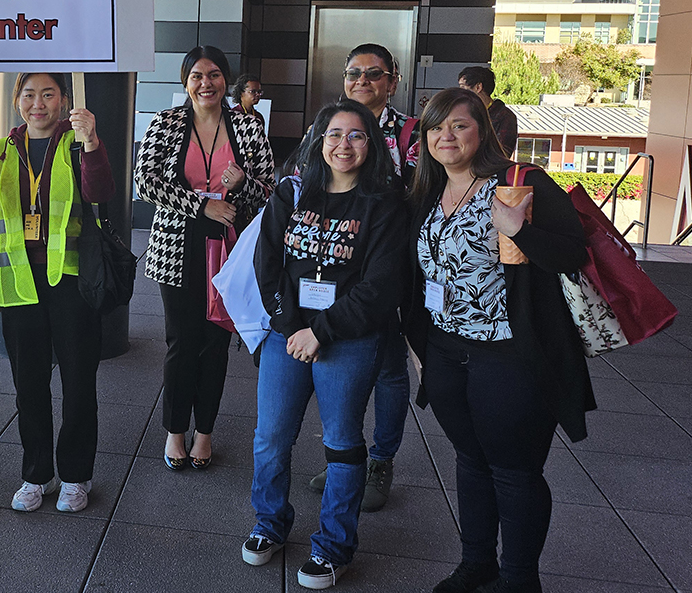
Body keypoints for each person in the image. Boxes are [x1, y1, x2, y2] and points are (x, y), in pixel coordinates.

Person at [406, 88, 594, 593]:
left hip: (510, 354)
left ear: (481, 133)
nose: (446, 136)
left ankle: (519, 578)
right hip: (445, 350)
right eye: (436, 127)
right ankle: (477, 562)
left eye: (459, 125)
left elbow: (573, 253)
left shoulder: (519, 184)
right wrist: (419, 350)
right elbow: (419, 277)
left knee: (514, 471)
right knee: (469, 461)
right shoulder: (427, 192)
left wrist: (520, 230)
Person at [247, 99, 408, 589]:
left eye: (356, 135)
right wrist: (292, 324)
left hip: (349, 338)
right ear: (319, 140)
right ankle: (269, 523)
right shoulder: (293, 190)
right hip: (288, 333)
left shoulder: (384, 202)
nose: (344, 144)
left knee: (340, 443)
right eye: (334, 134)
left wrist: (321, 331)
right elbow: (267, 260)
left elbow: (379, 286)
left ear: (371, 144)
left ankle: (334, 545)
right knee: (271, 437)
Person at [0, 73, 115, 513]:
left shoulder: (77, 144)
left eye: (49, 94)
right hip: (19, 283)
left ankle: (75, 475)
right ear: (16, 100)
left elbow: (101, 191)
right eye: (29, 94)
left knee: (78, 383)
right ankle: (36, 474)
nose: (39, 103)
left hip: (71, 283)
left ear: (64, 100)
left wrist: (91, 141)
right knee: (28, 386)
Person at [135, 45, 275, 470]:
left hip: (230, 249)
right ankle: (176, 430)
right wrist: (201, 205)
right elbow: (145, 181)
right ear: (185, 82)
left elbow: (270, 190)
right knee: (181, 340)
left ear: (225, 81)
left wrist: (242, 182)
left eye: (213, 75)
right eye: (196, 75)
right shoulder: (168, 122)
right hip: (177, 246)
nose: (205, 83)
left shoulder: (248, 127)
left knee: (216, 343)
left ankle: (205, 432)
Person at [305, 43, 417, 512]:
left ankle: (380, 459)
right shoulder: (325, 126)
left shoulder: (412, 132)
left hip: (392, 265)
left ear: (393, 80)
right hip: (332, 270)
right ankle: (343, 455)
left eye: (375, 74)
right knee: (339, 364)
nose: (363, 81)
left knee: (389, 367)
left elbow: (418, 193)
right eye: (354, 73)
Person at [459, 65, 519, 157]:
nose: (460, 93)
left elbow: (502, 154)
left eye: (463, 87)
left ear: (478, 87)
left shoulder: (504, 116)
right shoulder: (464, 113)